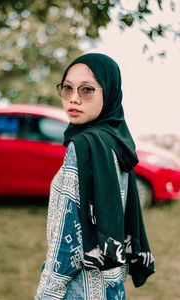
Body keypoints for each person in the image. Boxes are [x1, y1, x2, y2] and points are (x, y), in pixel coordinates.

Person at [35, 53, 155, 300]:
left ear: (108, 91)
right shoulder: (118, 142)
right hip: (111, 284)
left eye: (86, 90)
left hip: (79, 289)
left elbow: (66, 244)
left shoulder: (83, 147)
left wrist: (47, 293)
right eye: (67, 89)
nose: (74, 99)